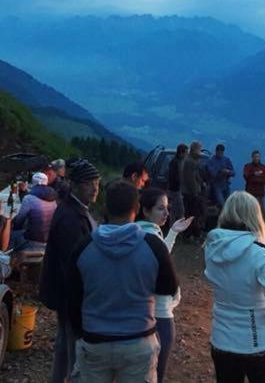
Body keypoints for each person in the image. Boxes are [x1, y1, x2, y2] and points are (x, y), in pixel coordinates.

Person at [66, 181, 178, 383]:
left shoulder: (85, 245)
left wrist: (80, 332)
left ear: (106, 208)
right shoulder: (153, 245)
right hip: (139, 340)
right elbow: (169, 287)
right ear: (136, 209)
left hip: (94, 339)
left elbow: (72, 297)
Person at [204, 191, 265, 383]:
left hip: (221, 338)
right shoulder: (259, 253)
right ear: (254, 215)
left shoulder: (212, 246)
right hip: (258, 342)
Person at [40, 159, 100, 383]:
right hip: (70, 297)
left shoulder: (72, 209)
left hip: (65, 295)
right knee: (75, 354)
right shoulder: (72, 218)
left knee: (64, 348)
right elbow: (74, 266)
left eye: (97, 183)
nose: (95, 188)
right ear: (75, 185)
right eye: (89, 184)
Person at [134, 188, 194, 383]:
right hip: (159, 307)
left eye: (167, 208)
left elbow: (160, 253)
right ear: (146, 211)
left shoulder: (144, 232)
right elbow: (161, 265)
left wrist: (173, 233)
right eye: (161, 209)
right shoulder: (148, 234)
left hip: (148, 306)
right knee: (160, 356)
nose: (167, 213)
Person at [10, 172, 58, 251]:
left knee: (12, 234)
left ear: (33, 183)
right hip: (50, 238)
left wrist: (14, 226)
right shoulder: (53, 197)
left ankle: (11, 256)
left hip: (33, 239)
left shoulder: (29, 198)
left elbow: (19, 220)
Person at [181, 141, 206, 240]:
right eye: (199, 150)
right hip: (190, 193)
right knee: (192, 214)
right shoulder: (190, 162)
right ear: (195, 150)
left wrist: (201, 183)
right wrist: (195, 192)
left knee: (194, 213)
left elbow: (196, 176)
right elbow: (190, 179)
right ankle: (189, 235)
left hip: (191, 192)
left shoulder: (192, 161)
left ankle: (194, 234)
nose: (200, 153)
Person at [205, 144, 235, 209]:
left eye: (222, 152)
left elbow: (233, 173)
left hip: (226, 185)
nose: (220, 154)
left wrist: (228, 172)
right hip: (216, 185)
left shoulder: (226, 159)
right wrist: (221, 171)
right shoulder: (211, 160)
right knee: (222, 204)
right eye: (219, 152)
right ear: (216, 151)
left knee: (228, 204)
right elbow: (212, 174)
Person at [166, 144, 188, 223]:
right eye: (185, 153)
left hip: (176, 190)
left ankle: (177, 230)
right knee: (177, 211)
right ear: (181, 153)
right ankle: (175, 230)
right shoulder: (174, 162)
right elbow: (174, 178)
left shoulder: (179, 162)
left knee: (177, 212)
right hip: (174, 191)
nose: (186, 155)